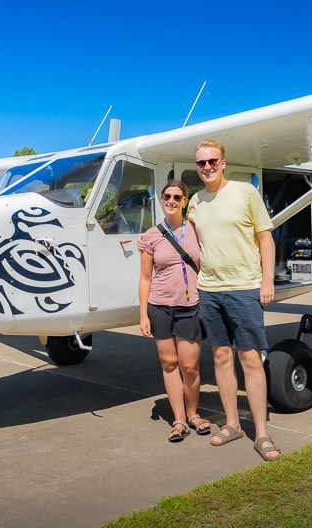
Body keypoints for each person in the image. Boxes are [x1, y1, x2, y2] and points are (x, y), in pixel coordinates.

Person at [187, 138, 280, 461]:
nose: (207, 167)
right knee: (221, 358)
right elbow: (192, 242)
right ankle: (231, 425)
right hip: (210, 290)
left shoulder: (245, 192)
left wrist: (267, 280)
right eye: (201, 163)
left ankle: (262, 434)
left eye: (213, 161)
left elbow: (265, 238)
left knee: (250, 359)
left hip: (244, 287)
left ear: (223, 163)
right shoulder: (196, 202)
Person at [139, 180, 211, 442]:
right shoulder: (150, 236)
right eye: (167, 196)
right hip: (160, 306)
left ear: (184, 201)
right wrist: (143, 313)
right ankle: (179, 419)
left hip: (189, 306)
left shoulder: (195, 229)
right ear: (161, 198)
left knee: (190, 366)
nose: (171, 200)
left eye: (177, 197)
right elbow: (145, 277)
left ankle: (193, 413)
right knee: (169, 364)